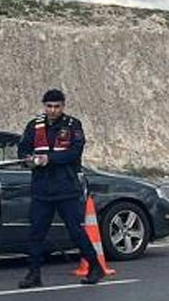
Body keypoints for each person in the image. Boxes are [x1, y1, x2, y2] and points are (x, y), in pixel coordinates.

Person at [17, 88, 105, 289]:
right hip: (41, 188)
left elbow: (74, 153)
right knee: (36, 233)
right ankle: (34, 274)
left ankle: (95, 266)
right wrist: (29, 159)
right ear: (44, 106)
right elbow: (22, 150)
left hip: (66, 187)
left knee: (76, 231)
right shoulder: (34, 125)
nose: (53, 110)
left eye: (57, 106)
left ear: (63, 106)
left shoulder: (73, 125)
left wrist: (49, 159)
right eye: (49, 106)